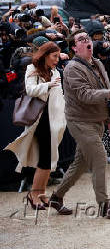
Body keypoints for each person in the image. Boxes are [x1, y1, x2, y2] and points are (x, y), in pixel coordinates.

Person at [49, 29, 110, 219]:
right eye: (81, 40)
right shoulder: (72, 68)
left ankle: (56, 197)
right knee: (100, 158)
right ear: (74, 48)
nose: (87, 41)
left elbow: (102, 93)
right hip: (80, 122)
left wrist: (109, 120)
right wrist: (109, 93)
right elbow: (85, 95)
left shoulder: (98, 63)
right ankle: (104, 205)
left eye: (87, 38)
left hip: (97, 121)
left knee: (80, 164)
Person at [5, 41, 66, 210]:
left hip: (53, 119)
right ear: (45, 55)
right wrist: (48, 85)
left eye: (58, 56)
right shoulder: (32, 69)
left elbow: (59, 96)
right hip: (38, 119)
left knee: (48, 158)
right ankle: (34, 195)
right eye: (54, 56)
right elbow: (30, 90)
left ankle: (41, 194)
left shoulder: (54, 71)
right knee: (46, 159)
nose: (57, 59)